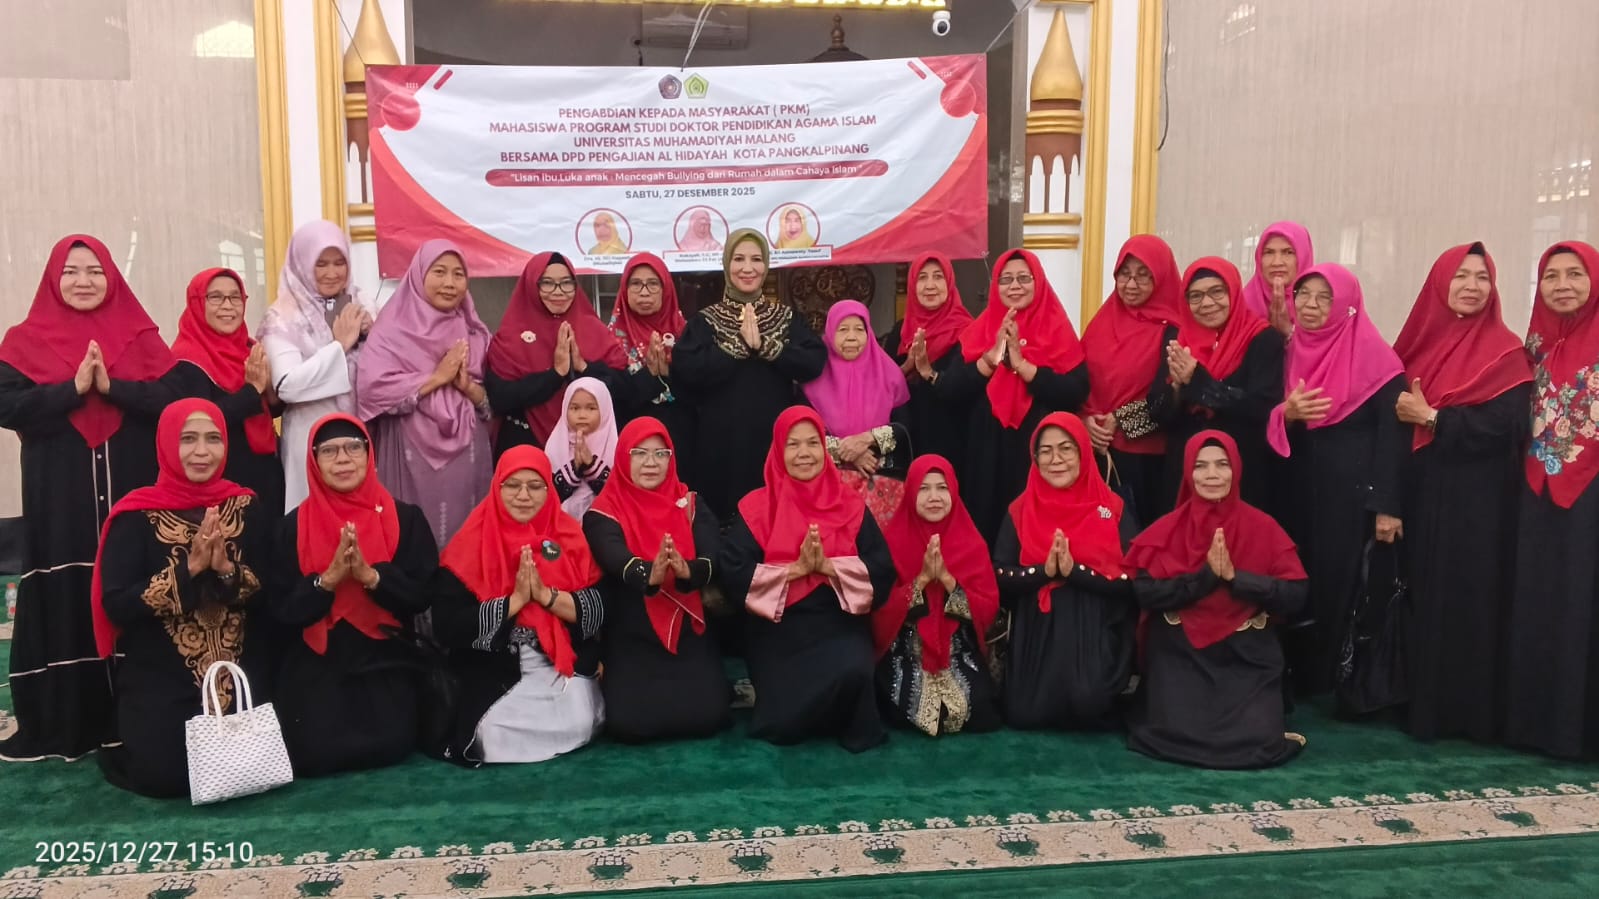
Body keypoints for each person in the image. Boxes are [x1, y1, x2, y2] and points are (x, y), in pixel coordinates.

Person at [0, 234, 177, 762]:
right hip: (60, 500)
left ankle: (138, 714)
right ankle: (69, 721)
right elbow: (7, 406)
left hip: (132, 490)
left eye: (95, 271)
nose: (83, 281)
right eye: (71, 271)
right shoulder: (23, 341)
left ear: (113, 278)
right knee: (68, 590)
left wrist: (113, 387)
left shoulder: (140, 337)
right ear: (54, 279)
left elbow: (173, 400)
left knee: (132, 582)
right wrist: (72, 390)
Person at [92, 399, 273, 797]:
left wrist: (226, 570)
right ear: (167, 444)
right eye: (188, 439)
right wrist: (186, 571)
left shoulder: (246, 505)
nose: (202, 451)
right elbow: (116, 603)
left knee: (254, 767)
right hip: (162, 676)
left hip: (239, 674)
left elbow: (269, 592)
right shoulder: (135, 514)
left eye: (213, 439)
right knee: (168, 779)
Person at [1391, 243, 1532, 743]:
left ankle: (1471, 714)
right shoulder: (1414, 346)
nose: (1472, 286)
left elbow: (1508, 425)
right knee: (1420, 595)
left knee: (1473, 598)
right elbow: (1388, 424)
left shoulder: (1507, 352)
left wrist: (1434, 418)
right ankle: (1420, 707)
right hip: (1421, 493)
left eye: (1482, 277)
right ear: (1440, 283)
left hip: (1481, 501)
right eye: (1461, 276)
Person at [264, 414, 439, 776]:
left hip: (385, 656)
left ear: (369, 454)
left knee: (392, 746)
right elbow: (280, 610)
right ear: (313, 460)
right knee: (314, 753)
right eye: (329, 451)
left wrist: (372, 577)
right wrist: (327, 582)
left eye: (353, 448)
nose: (342, 459)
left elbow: (422, 595)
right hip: (318, 659)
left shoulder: (405, 519)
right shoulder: (290, 528)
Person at [1125, 431, 1309, 769]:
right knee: (1169, 734)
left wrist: (1236, 579)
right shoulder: (1168, 528)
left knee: (1258, 742)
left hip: (1245, 654)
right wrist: (1205, 578)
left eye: (1222, 465)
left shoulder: (1263, 527)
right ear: (1187, 472)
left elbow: (1295, 595)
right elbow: (1145, 592)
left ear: (1236, 469)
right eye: (1201, 466)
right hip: (1182, 651)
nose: (1211, 474)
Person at [1266, 264, 1407, 695]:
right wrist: (1286, 414)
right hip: (1296, 491)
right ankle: (1297, 673)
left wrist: (1387, 505)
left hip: (1350, 497)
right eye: (1303, 295)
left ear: (1346, 305)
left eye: (1324, 297)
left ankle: (1334, 679)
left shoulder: (1379, 361)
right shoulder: (1287, 351)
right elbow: (1262, 414)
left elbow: (1393, 438)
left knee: (1338, 580)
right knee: (1295, 574)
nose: (1310, 305)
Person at [720, 407, 895, 751]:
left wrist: (828, 567)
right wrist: (796, 570)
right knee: (782, 724)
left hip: (838, 622)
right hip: (777, 627)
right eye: (793, 444)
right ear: (778, 450)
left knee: (853, 670)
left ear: (824, 449)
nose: (804, 453)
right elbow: (733, 572)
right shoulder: (755, 507)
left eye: (813, 443)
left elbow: (882, 570)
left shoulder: (851, 505)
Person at [432, 446, 606, 766]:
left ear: (549, 489)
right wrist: (514, 603)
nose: (523, 495)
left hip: (557, 665)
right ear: (497, 487)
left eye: (535, 486)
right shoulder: (470, 543)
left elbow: (599, 610)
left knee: (581, 720)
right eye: (512, 485)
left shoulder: (567, 537)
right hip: (496, 671)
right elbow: (446, 626)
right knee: (491, 735)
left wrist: (546, 597)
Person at [1506, 241, 1599, 759]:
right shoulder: (1535, 343)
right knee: (1542, 600)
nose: (1562, 285)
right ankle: (1536, 725)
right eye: (1551, 276)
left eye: (1575, 274)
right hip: (1536, 493)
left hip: (1591, 496)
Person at [584, 417, 729, 742]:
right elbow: (612, 553)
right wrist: (649, 572)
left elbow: (714, 555)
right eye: (639, 453)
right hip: (632, 632)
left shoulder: (690, 502)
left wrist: (687, 570)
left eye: (660, 453)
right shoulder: (603, 511)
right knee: (630, 725)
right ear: (624, 456)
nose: (651, 462)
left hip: (689, 631)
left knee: (710, 715)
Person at [992, 412, 1136, 730]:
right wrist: (1043, 572)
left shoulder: (1112, 508)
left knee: (1089, 706)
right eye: (1046, 451)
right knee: (1023, 715)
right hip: (1037, 627)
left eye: (1066, 449)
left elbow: (1133, 581)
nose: (1056, 459)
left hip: (1094, 624)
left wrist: (1077, 573)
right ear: (1035, 458)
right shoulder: (1020, 509)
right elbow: (999, 574)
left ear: (1083, 451)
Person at [673, 230, 826, 520]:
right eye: (739, 259)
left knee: (774, 517)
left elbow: (813, 361)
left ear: (766, 266)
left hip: (774, 440)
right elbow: (687, 370)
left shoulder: (785, 318)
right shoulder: (706, 320)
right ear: (726, 264)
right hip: (720, 445)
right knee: (722, 520)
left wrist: (767, 347)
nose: (747, 268)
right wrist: (737, 347)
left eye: (756, 259)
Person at [943, 249, 1090, 541]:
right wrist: (990, 359)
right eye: (1006, 279)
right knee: (984, 524)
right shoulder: (980, 330)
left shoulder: (1058, 329)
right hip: (985, 448)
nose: (1014, 286)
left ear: (1039, 282)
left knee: (1033, 527)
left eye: (1024, 278)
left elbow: (1076, 391)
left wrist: (1024, 367)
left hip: (1039, 448)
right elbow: (951, 389)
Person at [355, 239, 492, 546]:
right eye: (439, 272)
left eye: (458, 274)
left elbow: (493, 404)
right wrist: (436, 378)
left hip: (468, 455)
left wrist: (467, 387)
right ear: (418, 274)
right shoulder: (391, 330)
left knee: (466, 541)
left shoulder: (475, 332)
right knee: (411, 538)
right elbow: (371, 391)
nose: (450, 283)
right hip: (409, 452)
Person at [870, 455, 1001, 736]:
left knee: (982, 712)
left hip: (958, 654)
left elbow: (988, 607)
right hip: (906, 654)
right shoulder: (892, 542)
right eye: (923, 488)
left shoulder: (971, 543)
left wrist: (948, 580)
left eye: (942, 488)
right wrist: (922, 580)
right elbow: (879, 609)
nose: (934, 497)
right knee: (899, 712)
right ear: (910, 493)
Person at [259, 220, 378, 511]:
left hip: (362, 434)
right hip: (310, 435)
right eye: (321, 264)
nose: (332, 273)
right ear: (302, 263)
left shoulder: (362, 303)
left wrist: (372, 335)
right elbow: (287, 385)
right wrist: (340, 345)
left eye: (340, 263)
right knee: (314, 518)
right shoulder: (283, 316)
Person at [1147, 258, 1282, 512]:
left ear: (1233, 291)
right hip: (1185, 468)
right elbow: (1157, 413)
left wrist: (1198, 379)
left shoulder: (1262, 339)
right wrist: (1175, 387)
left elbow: (1261, 407)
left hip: (1241, 468)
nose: (1207, 303)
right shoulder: (1179, 339)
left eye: (1216, 292)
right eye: (1195, 296)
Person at [1082, 235, 1184, 522]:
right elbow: (1078, 379)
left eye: (1143, 275)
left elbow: (1171, 400)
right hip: (1096, 448)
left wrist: (1119, 420)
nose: (1131, 284)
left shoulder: (1174, 330)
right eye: (1124, 274)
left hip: (1147, 459)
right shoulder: (1102, 322)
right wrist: (1084, 419)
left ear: (1161, 278)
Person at [485, 252, 627, 455]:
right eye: (547, 283)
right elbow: (500, 398)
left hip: (589, 450)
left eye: (566, 283)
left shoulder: (595, 331)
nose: (558, 291)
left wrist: (584, 367)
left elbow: (623, 389)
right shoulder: (511, 337)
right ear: (532, 285)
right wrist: (555, 374)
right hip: (526, 449)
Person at [170, 267, 285, 516]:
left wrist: (269, 390)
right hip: (221, 476)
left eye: (235, 297)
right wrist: (251, 390)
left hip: (265, 469)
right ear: (197, 303)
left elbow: (268, 410)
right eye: (216, 297)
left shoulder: (249, 348)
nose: (228, 306)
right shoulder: (186, 359)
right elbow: (202, 421)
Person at [804, 299, 911, 521]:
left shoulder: (890, 375)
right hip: (826, 485)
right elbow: (804, 434)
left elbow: (904, 429)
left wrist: (867, 439)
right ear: (830, 333)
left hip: (880, 486)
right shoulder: (813, 378)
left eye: (859, 329)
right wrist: (849, 452)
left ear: (869, 333)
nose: (851, 337)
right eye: (843, 329)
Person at [882, 253, 975, 471]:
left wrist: (928, 372)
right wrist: (906, 368)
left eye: (938, 277)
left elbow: (969, 386)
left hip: (954, 439)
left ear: (949, 282)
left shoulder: (968, 331)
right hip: (908, 440)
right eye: (922, 278)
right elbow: (882, 388)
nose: (930, 285)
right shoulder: (901, 332)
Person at [607, 253, 694, 455]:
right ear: (624, 290)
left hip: (682, 444)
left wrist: (668, 373)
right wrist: (649, 375)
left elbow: (701, 395)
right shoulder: (609, 341)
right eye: (636, 284)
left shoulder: (687, 335)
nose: (644, 292)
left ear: (666, 289)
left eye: (653, 284)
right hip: (631, 444)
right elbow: (611, 401)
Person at [545, 377, 618, 519]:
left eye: (591, 408)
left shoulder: (615, 447)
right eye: (575, 408)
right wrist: (575, 468)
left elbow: (617, 496)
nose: (582, 415)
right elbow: (548, 495)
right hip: (559, 521)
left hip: (603, 521)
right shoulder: (554, 445)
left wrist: (591, 465)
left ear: (604, 410)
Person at [1241, 221, 1314, 337]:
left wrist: (1288, 331)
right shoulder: (1241, 306)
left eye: (1288, 252)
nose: (1277, 262)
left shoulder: (1320, 304)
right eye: (1269, 252)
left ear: (1303, 257)